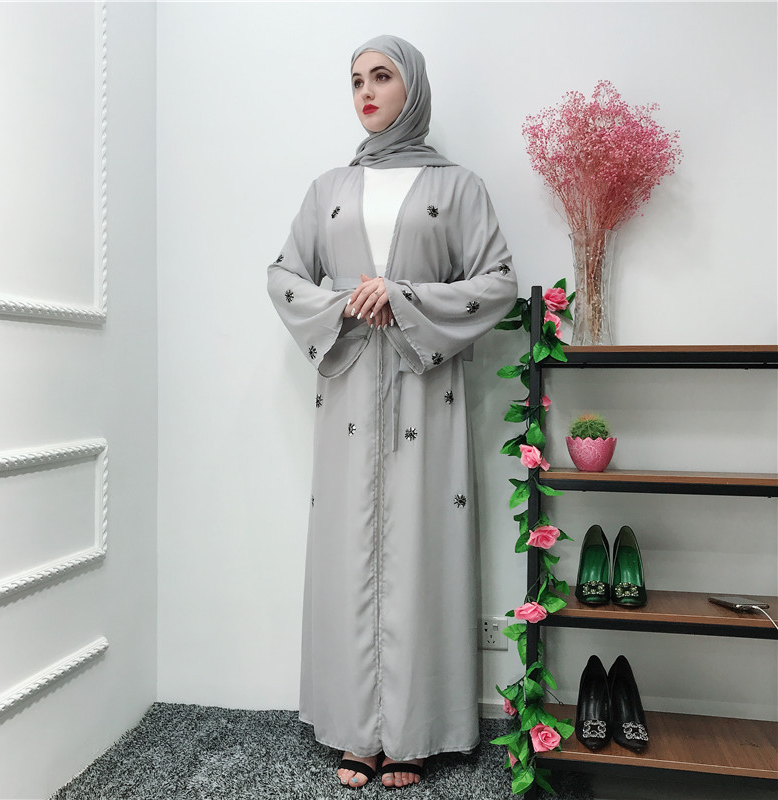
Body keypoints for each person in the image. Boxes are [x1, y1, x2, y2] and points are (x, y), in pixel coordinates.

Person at [267, 35, 518, 790]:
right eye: (356, 81)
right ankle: (355, 728)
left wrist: (405, 296)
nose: (367, 92)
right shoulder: (329, 187)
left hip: (424, 386)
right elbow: (284, 276)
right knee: (350, 547)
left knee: (419, 546)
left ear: (413, 87)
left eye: (382, 77)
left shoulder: (460, 187)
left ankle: (411, 732)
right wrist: (345, 302)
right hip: (350, 388)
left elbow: (499, 283)